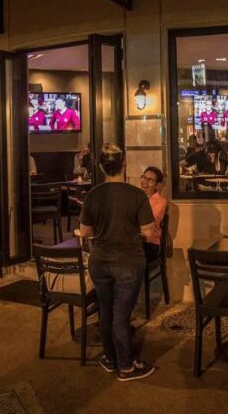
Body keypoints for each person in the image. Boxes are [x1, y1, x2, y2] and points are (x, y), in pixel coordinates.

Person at [80, 144, 157, 381]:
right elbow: (149, 231)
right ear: (124, 165)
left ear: (102, 167)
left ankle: (110, 359)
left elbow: (85, 232)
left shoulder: (93, 195)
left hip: (100, 261)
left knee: (106, 311)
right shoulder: (136, 195)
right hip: (128, 262)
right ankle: (126, 366)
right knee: (122, 314)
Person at [139, 166, 167, 259]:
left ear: (157, 185)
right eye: (144, 178)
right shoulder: (136, 198)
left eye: (150, 180)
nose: (145, 182)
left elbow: (150, 223)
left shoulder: (160, 201)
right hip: (135, 241)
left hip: (150, 243)